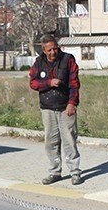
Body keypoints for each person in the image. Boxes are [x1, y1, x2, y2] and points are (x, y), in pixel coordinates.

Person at [28, 33, 82, 185]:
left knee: (69, 140)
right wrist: (49, 83)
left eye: (55, 48)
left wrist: (72, 103)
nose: (53, 52)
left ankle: (75, 172)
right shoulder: (38, 63)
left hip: (66, 107)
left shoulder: (68, 59)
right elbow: (33, 83)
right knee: (50, 142)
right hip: (47, 108)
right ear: (44, 50)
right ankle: (55, 172)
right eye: (49, 50)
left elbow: (74, 84)